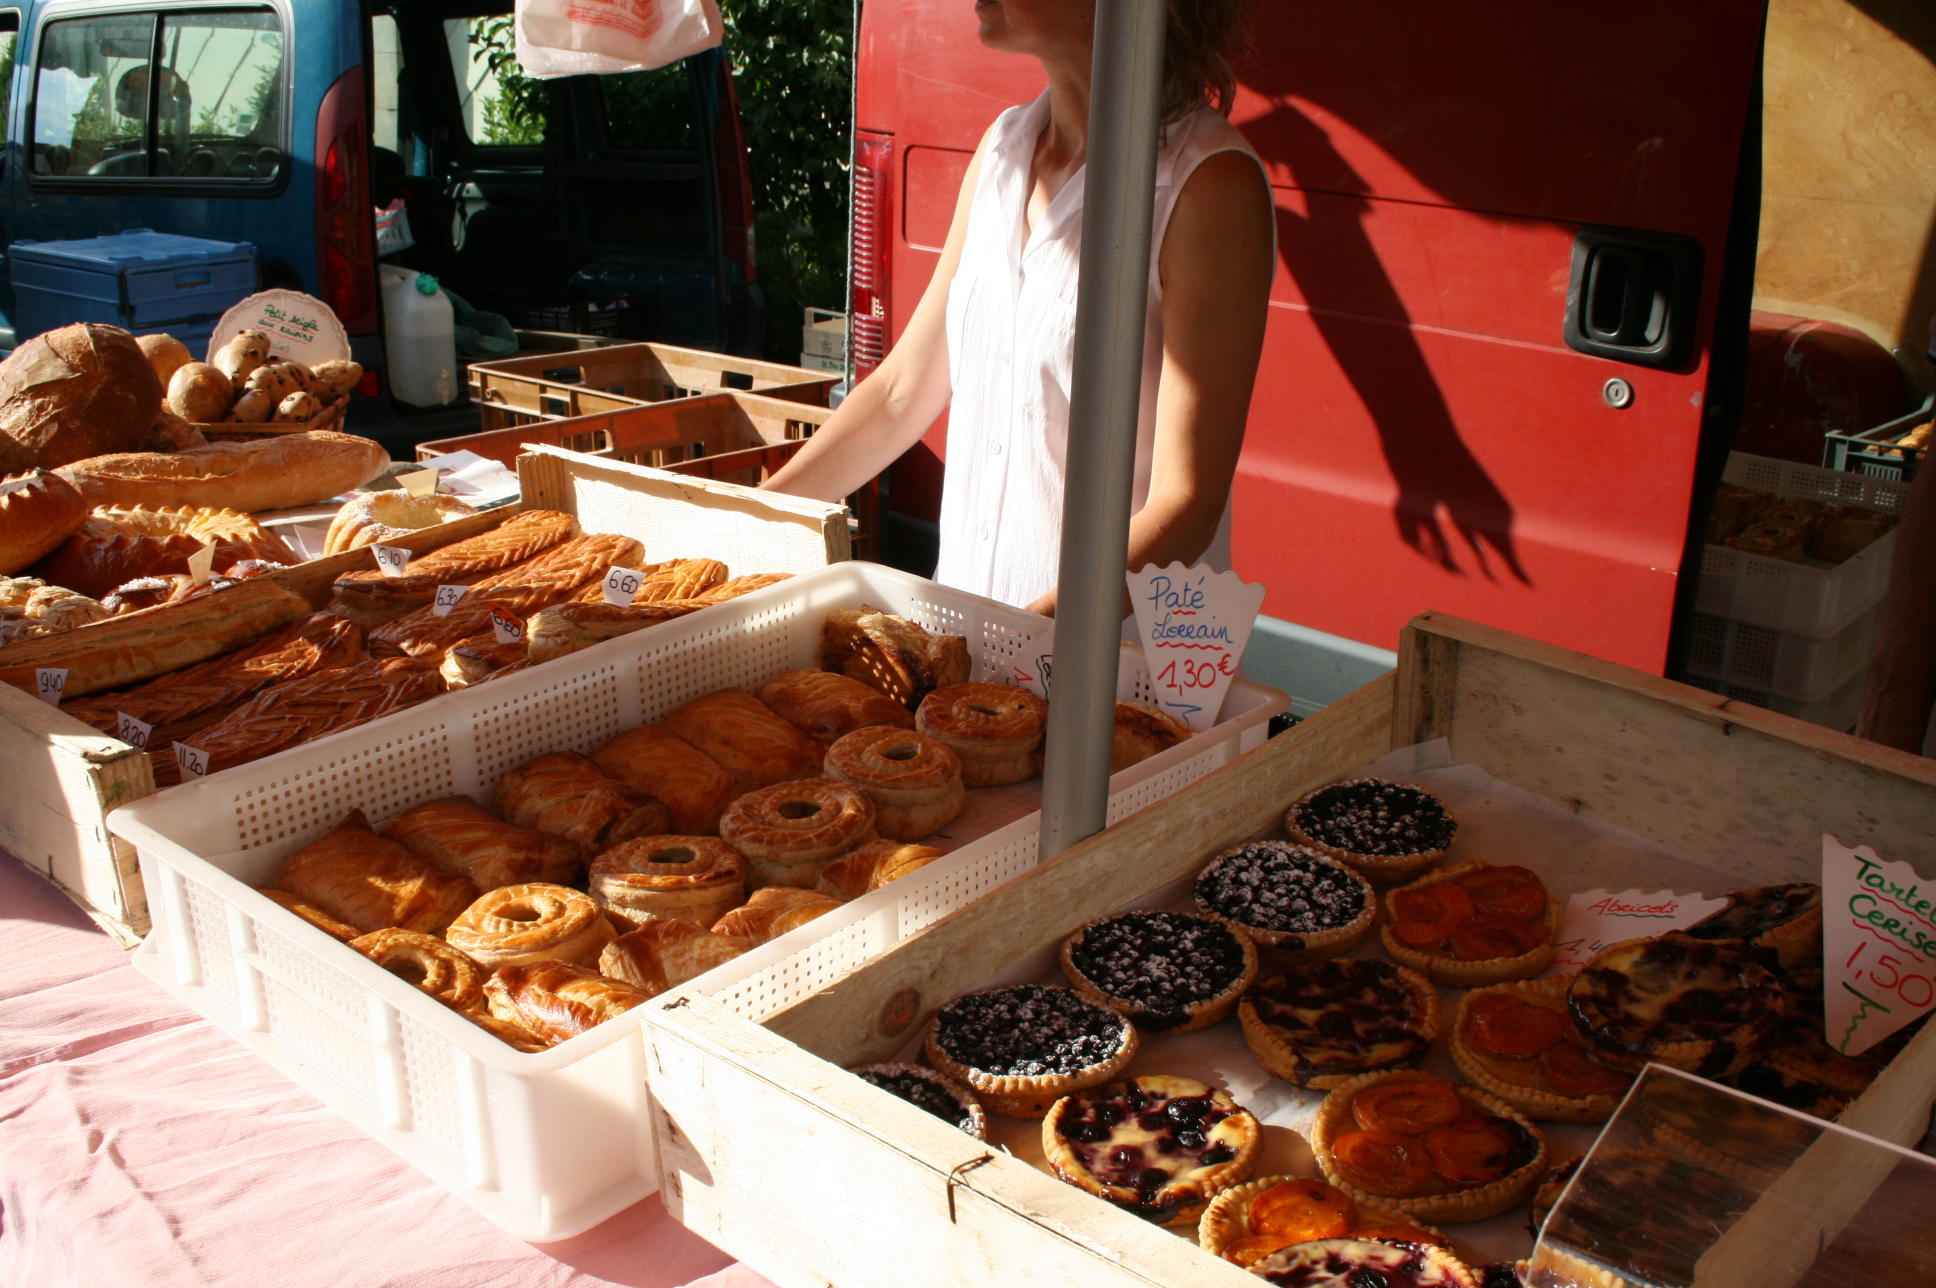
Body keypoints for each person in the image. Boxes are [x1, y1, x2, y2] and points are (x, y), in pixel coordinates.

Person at [761, 0, 1275, 615]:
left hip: (1117, 681)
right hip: (973, 650)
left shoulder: (1208, 186)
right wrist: (746, 523)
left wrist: (1023, 640)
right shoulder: (1002, 150)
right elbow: (900, 393)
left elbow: (1185, 505)